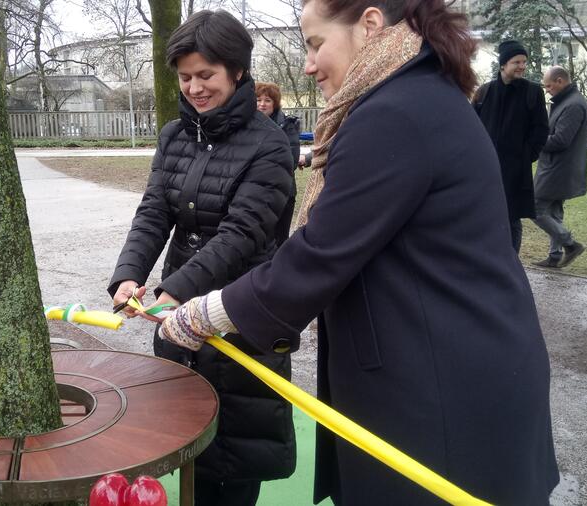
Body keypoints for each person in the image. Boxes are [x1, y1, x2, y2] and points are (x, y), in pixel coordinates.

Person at [158, 1, 559, 504]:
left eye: (315, 43)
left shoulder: (394, 113)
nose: (307, 63)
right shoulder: (414, 96)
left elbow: (320, 254)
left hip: (441, 391)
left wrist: (206, 313)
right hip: (446, 367)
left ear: (369, 26)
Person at [108, 10, 296, 506]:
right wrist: (129, 275)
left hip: (241, 313)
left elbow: (242, 233)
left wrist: (177, 289)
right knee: (186, 437)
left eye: (206, 75)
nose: (194, 87)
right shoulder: (174, 135)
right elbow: (154, 210)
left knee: (233, 454)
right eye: (185, 76)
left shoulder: (270, 146)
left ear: (237, 71)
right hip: (179, 313)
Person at [474, 39, 549, 252]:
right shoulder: (485, 92)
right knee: (485, 214)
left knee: (512, 218)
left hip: (516, 168)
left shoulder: (533, 92)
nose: (522, 66)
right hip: (486, 169)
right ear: (503, 64)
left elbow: (541, 129)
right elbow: (472, 127)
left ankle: (511, 263)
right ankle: (488, 260)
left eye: (524, 62)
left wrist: (526, 155)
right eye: (517, 61)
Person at [531, 66, 587, 268]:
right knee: (554, 212)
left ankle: (570, 244)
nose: (547, 90)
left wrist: (532, 139)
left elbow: (560, 140)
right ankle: (555, 256)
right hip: (557, 168)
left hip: (558, 170)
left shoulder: (573, 105)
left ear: (560, 81)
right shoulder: (567, 101)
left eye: (548, 86)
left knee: (533, 208)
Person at [256, 81, 299, 245]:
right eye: (258, 100)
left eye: (267, 100)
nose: (262, 104)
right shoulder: (245, 127)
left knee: (279, 241)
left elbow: (291, 160)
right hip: (256, 193)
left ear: (275, 103)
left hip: (283, 193)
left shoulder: (288, 125)